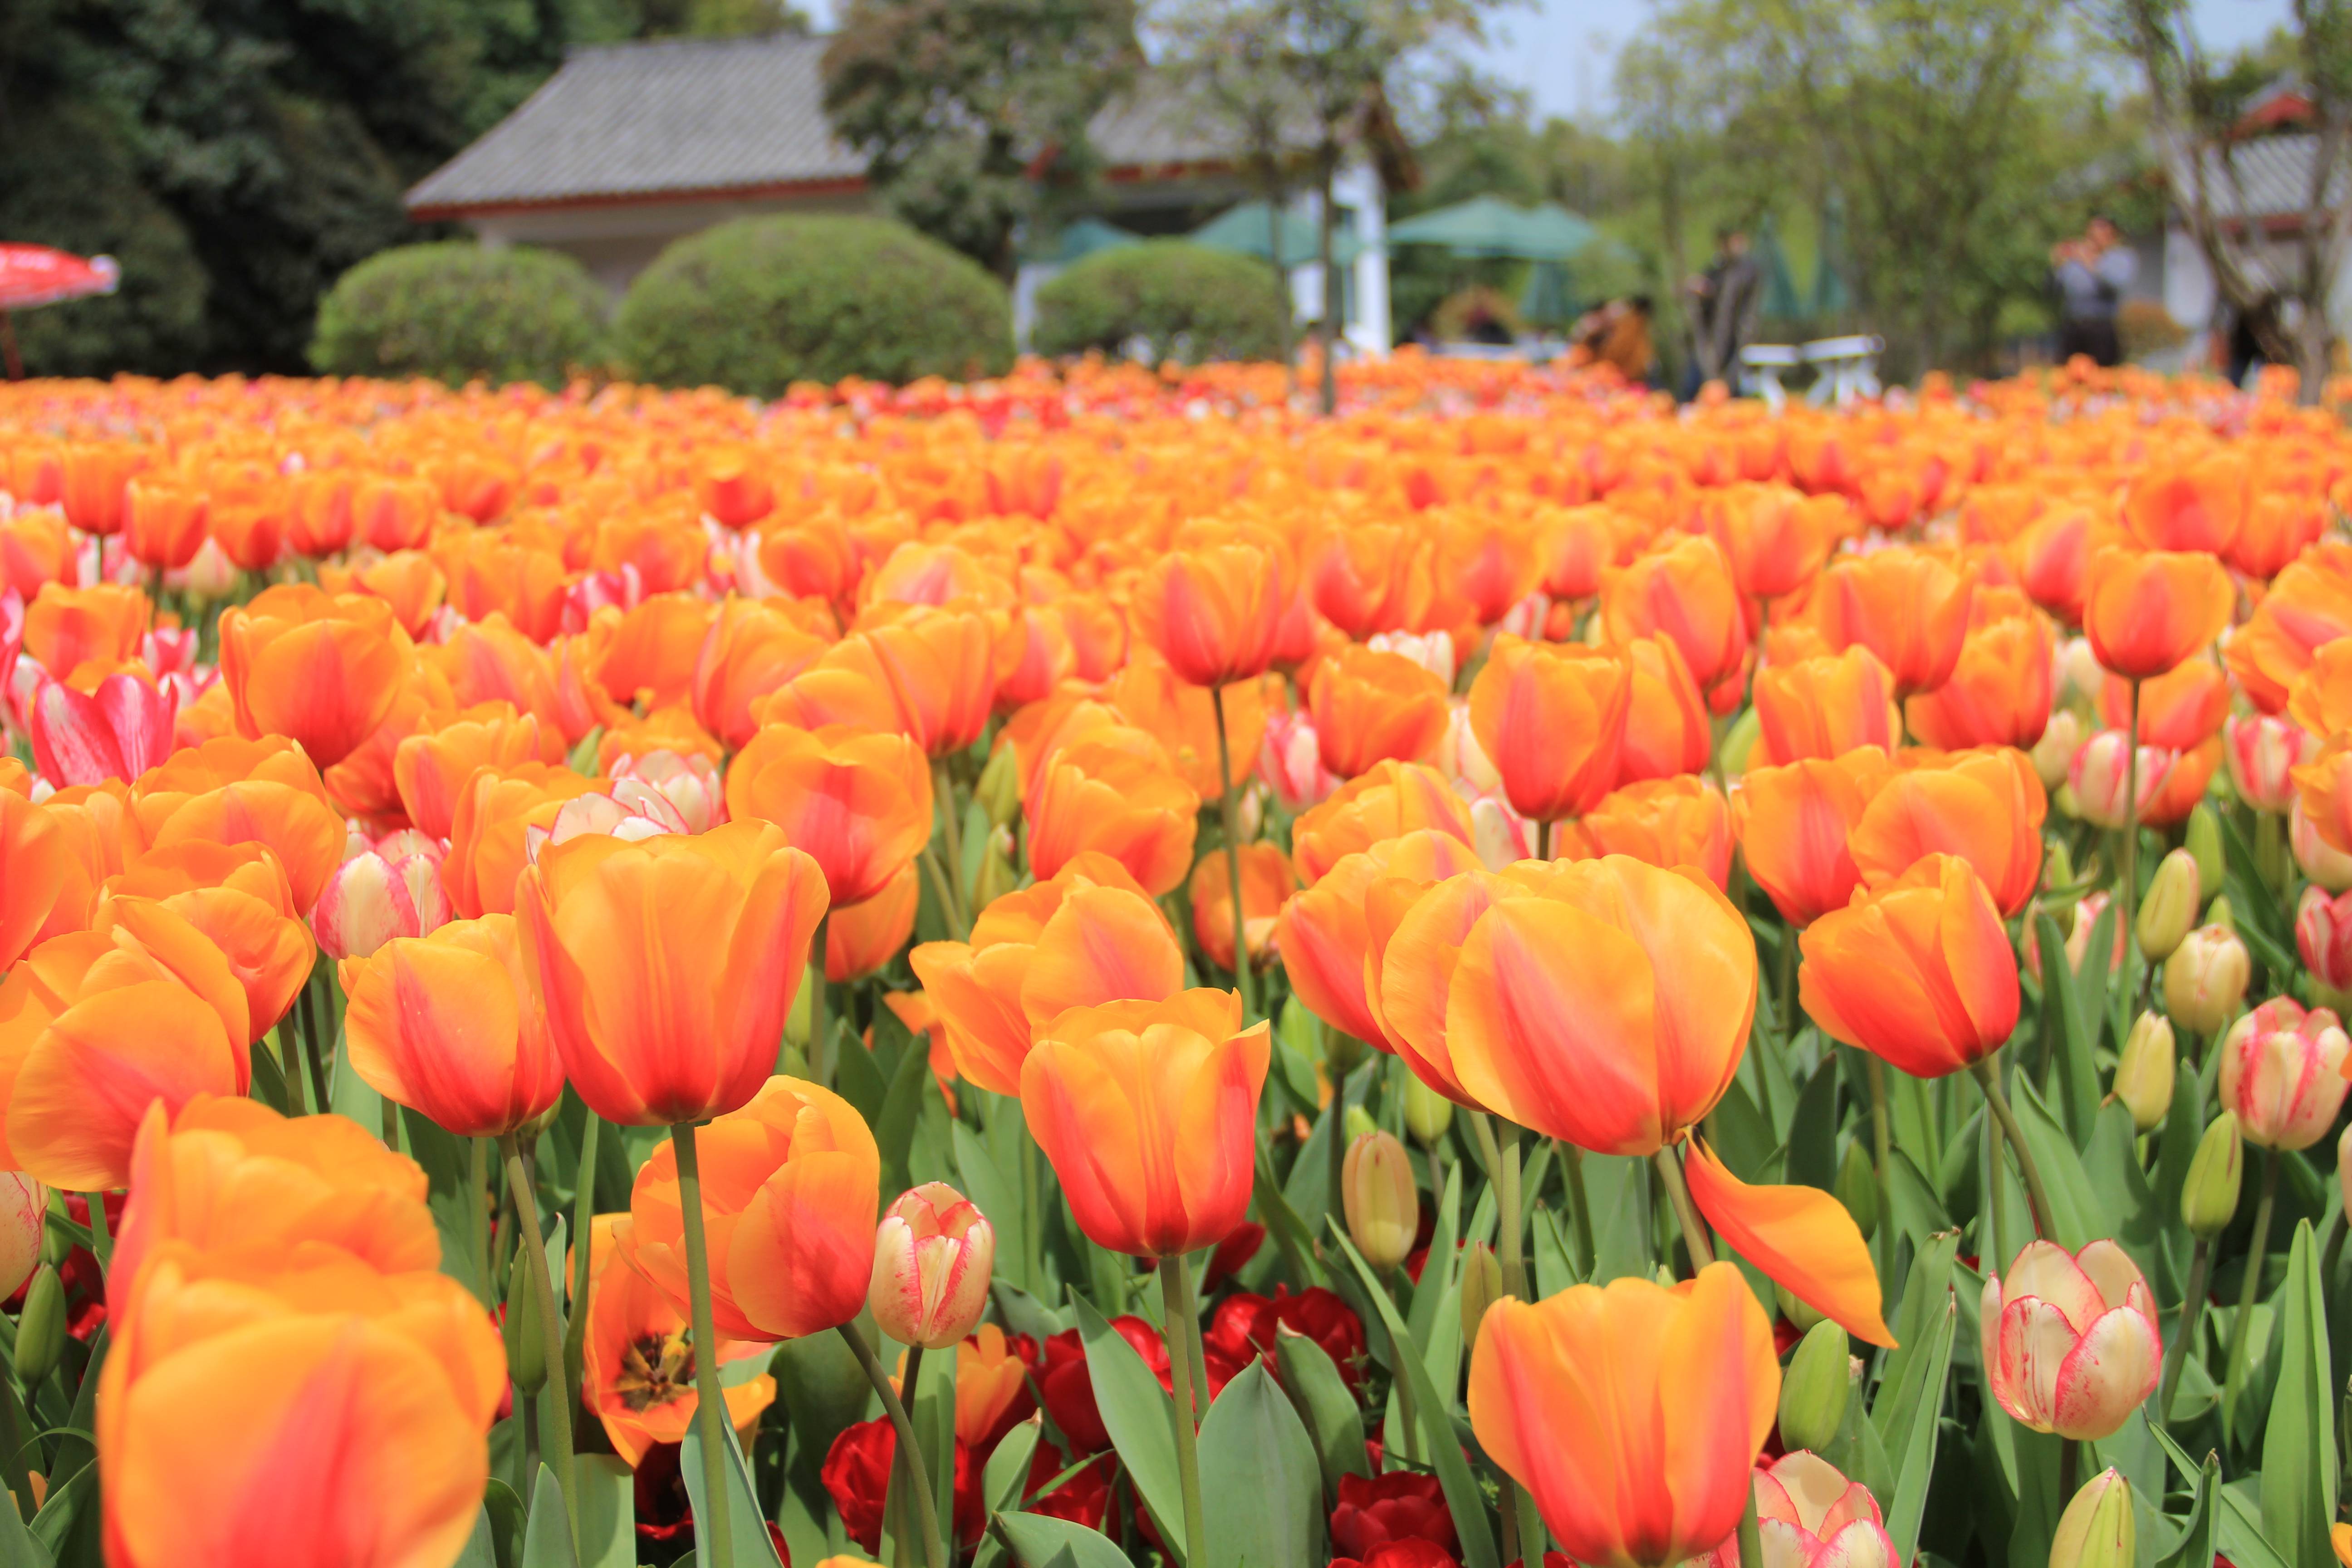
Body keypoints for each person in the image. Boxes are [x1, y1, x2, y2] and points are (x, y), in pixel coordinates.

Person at [1681, 227, 1764, 397]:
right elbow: (1709, 288)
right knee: (1703, 375)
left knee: (1731, 377)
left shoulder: (1748, 269)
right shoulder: (1718, 268)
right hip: (1714, 335)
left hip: (1738, 333)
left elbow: (1743, 299)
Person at [2050, 215, 2136, 367]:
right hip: (2073, 326)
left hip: (2101, 327)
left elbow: (2113, 286)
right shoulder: (2076, 260)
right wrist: (2058, 263)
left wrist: (2090, 262)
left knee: (2103, 376)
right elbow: (2057, 288)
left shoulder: (2120, 257)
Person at [1573, 296, 1656, 385]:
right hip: (1623, 378)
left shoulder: (1628, 329)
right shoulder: (1634, 329)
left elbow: (1613, 359)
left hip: (1624, 379)